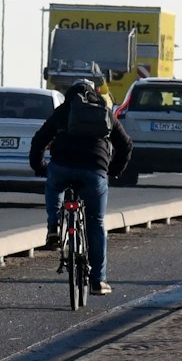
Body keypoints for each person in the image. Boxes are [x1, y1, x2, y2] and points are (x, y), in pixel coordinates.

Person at [30, 79, 134, 295]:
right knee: (96, 222)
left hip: (62, 167)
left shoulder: (63, 111)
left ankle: (53, 227)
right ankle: (98, 280)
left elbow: (39, 140)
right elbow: (125, 144)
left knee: (54, 186)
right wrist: (113, 169)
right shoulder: (104, 113)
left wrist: (41, 167)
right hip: (94, 172)